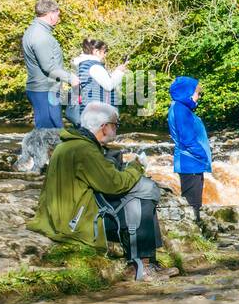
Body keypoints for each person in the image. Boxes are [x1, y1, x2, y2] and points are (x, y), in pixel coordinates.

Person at [27, 102, 177, 282]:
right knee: (141, 200)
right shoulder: (85, 150)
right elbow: (114, 185)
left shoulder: (69, 145)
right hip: (76, 223)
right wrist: (135, 168)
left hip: (62, 216)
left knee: (141, 195)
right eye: (116, 125)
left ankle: (148, 262)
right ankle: (141, 267)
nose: (117, 129)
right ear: (104, 127)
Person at [21, 0, 75, 129]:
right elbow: (49, 66)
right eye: (58, 14)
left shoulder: (37, 31)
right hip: (44, 90)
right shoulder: (40, 35)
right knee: (49, 134)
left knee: (50, 132)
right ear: (51, 14)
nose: (58, 17)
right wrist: (71, 78)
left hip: (43, 89)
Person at [166, 76, 211, 223]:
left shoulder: (181, 107)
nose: (198, 96)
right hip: (189, 162)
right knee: (193, 203)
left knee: (194, 202)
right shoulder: (180, 109)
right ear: (187, 92)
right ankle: (195, 236)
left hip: (192, 161)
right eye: (197, 92)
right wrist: (202, 155)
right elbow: (187, 139)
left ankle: (196, 233)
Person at [68, 39, 127, 127]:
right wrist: (119, 72)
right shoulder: (94, 66)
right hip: (97, 113)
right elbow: (109, 85)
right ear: (96, 51)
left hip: (86, 110)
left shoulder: (82, 65)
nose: (106, 55)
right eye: (105, 51)